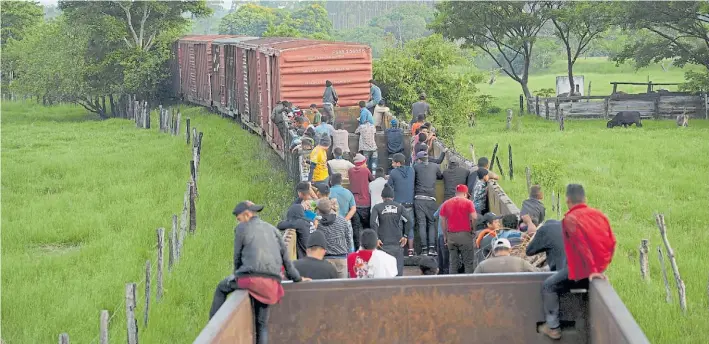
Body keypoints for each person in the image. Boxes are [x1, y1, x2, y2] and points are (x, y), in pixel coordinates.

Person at [209, 201, 309, 344]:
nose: (239, 221)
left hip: (250, 279)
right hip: (272, 284)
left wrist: (236, 275)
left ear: (247, 214)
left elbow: (237, 256)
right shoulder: (272, 229)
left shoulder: (242, 229)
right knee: (261, 325)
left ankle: (213, 326)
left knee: (221, 287)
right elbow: (286, 260)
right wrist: (298, 279)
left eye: (239, 218)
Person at [538, 184, 616, 340]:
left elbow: (581, 245)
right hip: (596, 269)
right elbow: (612, 242)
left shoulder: (570, 219)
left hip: (582, 270)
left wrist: (592, 269)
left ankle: (553, 327)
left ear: (567, 200)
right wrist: (601, 267)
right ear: (584, 199)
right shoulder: (600, 215)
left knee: (548, 285)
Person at [370, 185, 409, 276]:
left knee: (383, 272)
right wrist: (405, 235)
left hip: (382, 243)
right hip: (397, 242)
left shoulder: (377, 207)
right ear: (393, 197)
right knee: (398, 272)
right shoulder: (399, 207)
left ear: (382, 197)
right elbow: (409, 221)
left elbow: (373, 222)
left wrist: (376, 238)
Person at [440, 184, 478, 273]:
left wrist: (445, 236)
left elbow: (443, 221)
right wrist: (473, 229)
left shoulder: (446, 203)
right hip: (465, 236)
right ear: (465, 194)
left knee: (453, 263)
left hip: (451, 237)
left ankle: (452, 284)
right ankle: (468, 285)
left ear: (456, 193)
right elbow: (474, 217)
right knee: (468, 263)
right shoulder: (468, 203)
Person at [413, 150, 443, 256]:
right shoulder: (435, 167)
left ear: (419, 160)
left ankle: (424, 250)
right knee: (431, 223)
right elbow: (440, 176)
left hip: (419, 198)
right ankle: (432, 248)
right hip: (431, 199)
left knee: (421, 223)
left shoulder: (416, 167)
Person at [387, 153, 416, 257]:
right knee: (410, 226)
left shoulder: (393, 172)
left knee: (398, 227)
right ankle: (411, 250)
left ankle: (399, 250)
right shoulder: (412, 170)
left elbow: (388, 186)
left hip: (398, 205)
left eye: (393, 162)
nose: (392, 164)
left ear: (398, 163)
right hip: (410, 204)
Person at [316, 199, 354, 279]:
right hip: (342, 258)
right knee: (342, 288)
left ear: (318, 210)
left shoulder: (318, 224)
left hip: (325, 259)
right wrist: (349, 255)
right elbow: (348, 239)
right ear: (331, 208)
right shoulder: (342, 220)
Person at [348, 153, 374, 250]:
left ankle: (357, 248)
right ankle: (368, 247)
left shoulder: (350, 171)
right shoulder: (365, 170)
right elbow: (372, 180)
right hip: (365, 204)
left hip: (354, 205)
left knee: (356, 227)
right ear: (362, 162)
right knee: (367, 227)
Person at [473, 238, 538, 274]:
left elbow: (472, 281)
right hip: (515, 296)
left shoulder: (483, 265)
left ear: (493, 251)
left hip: (491, 297)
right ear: (510, 249)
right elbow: (537, 272)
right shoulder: (520, 262)